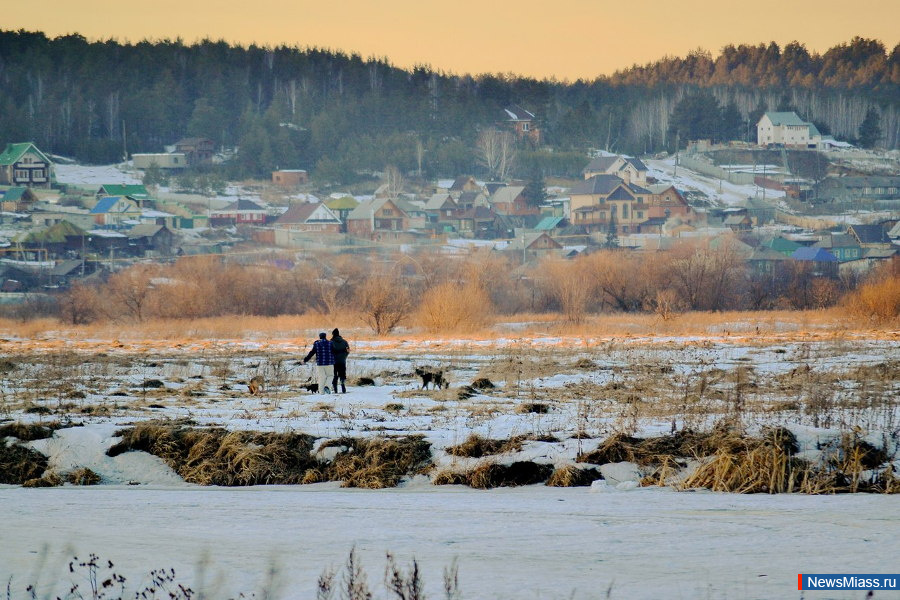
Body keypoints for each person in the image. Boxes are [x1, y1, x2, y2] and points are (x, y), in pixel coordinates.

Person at [330, 328, 350, 394]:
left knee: (334, 375)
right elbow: (348, 351)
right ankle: (342, 384)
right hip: (342, 361)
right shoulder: (344, 342)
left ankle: (335, 389)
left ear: (333, 334)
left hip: (334, 362)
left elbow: (329, 352)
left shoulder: (331, 342)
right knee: (342, 374)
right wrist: (344, 357)